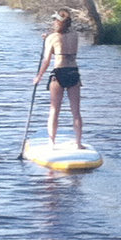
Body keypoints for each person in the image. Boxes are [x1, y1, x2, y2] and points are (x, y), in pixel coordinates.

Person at [31, 9, 86, 147]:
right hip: (73, 72)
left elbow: (46, 61)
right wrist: (49, 36)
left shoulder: (51, 38)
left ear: (58, 22)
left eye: (55, 20)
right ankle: (78, 143)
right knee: (76, 112)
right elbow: (64, 36)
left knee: (54, 110)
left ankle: (51, 142)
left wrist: (39, 76)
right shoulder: (75, 35)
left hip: (59, 73)